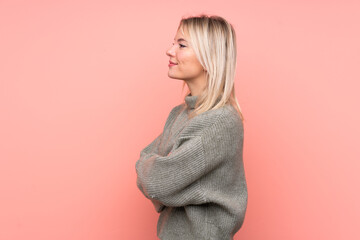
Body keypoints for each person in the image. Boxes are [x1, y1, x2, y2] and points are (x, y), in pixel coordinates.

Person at [135, 14, 248, 240]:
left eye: (182, 45)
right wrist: (172, 187)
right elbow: (146, 167)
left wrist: (169, 186)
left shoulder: (221, 122)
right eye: (173, 42)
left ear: (209, 56)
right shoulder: (179, 114)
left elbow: (157, 183)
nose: (170, 50)